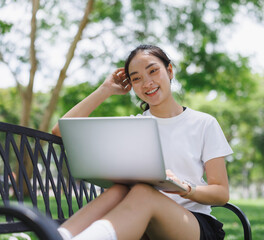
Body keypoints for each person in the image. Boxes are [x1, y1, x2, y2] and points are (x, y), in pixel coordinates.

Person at [52, 44, 233, 240]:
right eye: (136, 78)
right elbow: (60, 130)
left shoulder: (203, 123)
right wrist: (105, 90)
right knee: (120, 190)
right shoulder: (133, 126)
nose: (147, 83)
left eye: (153, 71)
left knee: (142, 192)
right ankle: (56, 237)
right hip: (140, 223)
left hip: (192, 225)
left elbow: (221, 193)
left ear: (169, 71)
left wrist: (184, 188)